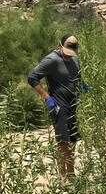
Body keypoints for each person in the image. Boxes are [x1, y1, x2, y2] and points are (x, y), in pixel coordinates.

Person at [27, 34, 89, 176]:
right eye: (66, 53)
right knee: (63, 141)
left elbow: (76, 77)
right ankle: (63, 178)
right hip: (58, 105)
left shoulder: (74, 59)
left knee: (73, 139)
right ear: (59, 46)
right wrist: (47, 98)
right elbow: (32, 78)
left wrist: (82, 85)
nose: (69, 56)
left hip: (73, 105)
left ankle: (71, 174)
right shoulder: (51, 60)